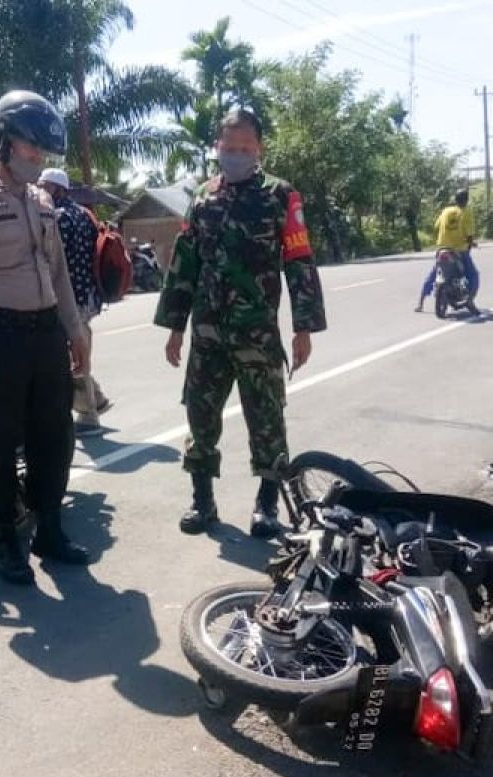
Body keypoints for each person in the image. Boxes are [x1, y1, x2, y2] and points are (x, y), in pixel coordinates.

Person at [155, 108, 327, 539]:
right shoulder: (202, 197)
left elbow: (299, 260)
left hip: (258, 333)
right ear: (217, 148)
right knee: (200, 416)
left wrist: (302, 326)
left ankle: (267, 506)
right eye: (228, 148)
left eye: (244, 148)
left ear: (259, 149)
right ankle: (202, 502)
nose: (235, 155)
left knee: (266, 418)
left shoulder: (280, 195)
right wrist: (175, 327)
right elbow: (185, 264)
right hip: (208, 332)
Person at [0, 90, 90, 585]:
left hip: (46, 332)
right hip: (0, 335)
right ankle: (5, 537)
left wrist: (74, 329)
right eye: (31, 148)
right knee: (2, 443)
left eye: (42, 152)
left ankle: (49, 527)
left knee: (55, 435)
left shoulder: (43, 201)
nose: (38, 158)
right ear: (4, 141)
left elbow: (59, 273)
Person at [37, 167, 112, 438]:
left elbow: (51, 262)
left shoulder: (56, 217)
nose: (39, 191)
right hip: (88, 298)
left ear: (56, 188)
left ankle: (89, 416)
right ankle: (97, 399)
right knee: (77, 353)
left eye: (43, 186)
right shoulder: (85, 215)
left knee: (71, 359)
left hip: (66, 300)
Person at [416, 188, 479, 313]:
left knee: (434, 274)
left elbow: (436, 227)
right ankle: (470, 300)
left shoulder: (446, 211)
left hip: (442, 248)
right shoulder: (466, 212)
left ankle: (420, 303)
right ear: (466, 200)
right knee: (473, 275)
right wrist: (472, 243)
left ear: (455, 200)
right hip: (459, 250)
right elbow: (469, 235)